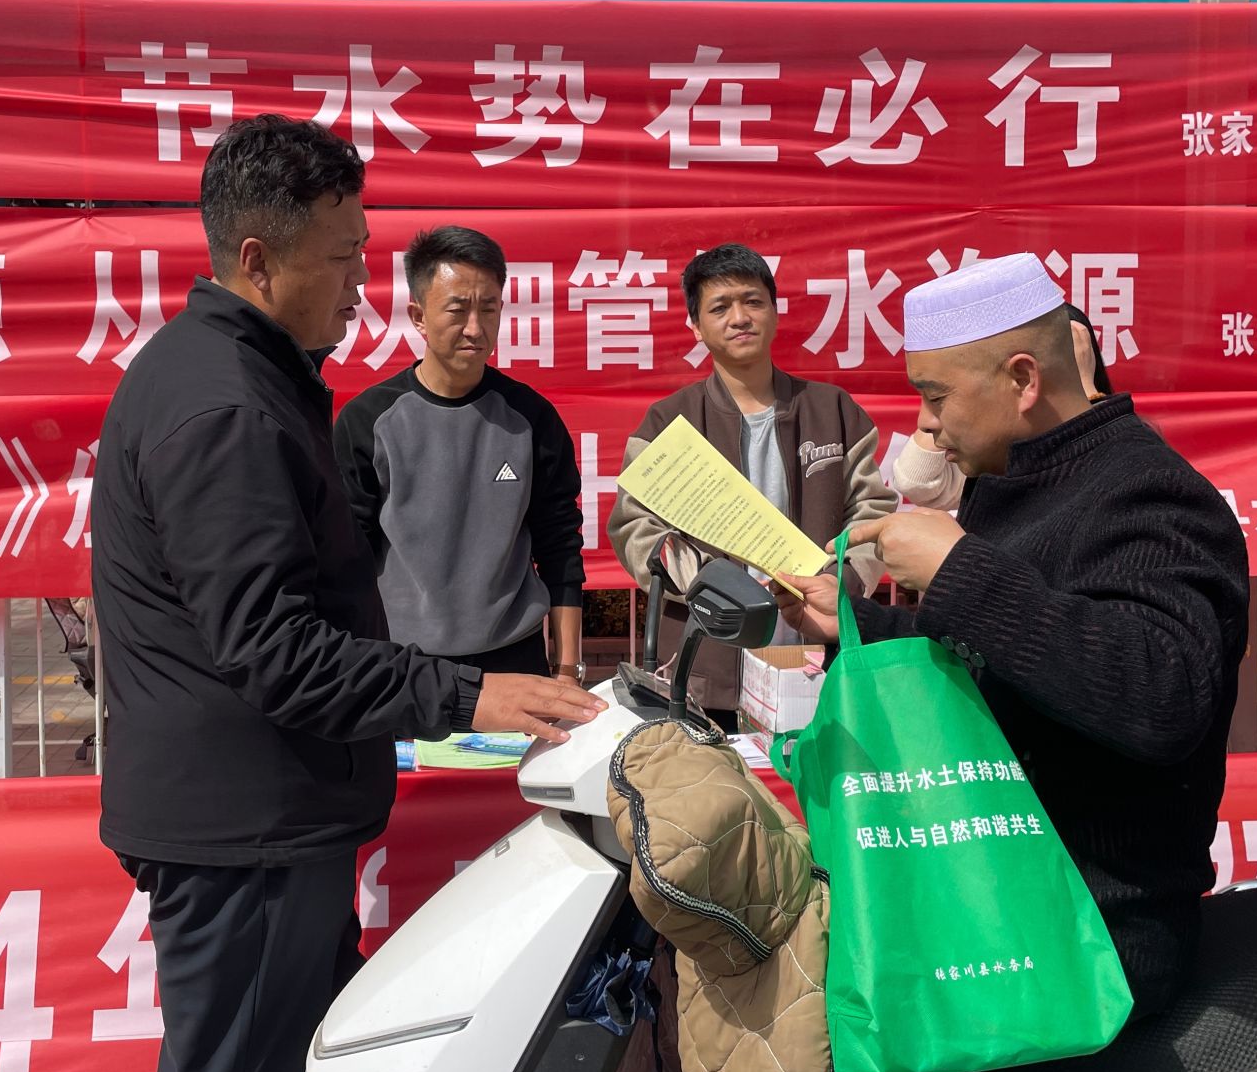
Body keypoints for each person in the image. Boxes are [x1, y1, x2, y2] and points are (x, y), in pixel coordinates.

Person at [90, 115, 603, 1072]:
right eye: (339, 259)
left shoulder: (240, 378)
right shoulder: (225, 407)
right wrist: (468, 695)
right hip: (246, 827)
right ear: (257, 259)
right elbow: (275, 649)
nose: (359, 289)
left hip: (264, 815)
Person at [776, 253, 1250, 1072]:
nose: (927, 426)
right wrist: (851, 625)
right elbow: (1003, 667)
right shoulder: (1013, 487)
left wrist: (958, 570)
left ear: (1023, 379)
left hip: (1088, 926)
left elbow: (1159, 694)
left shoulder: (1150, 499)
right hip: (988, 892)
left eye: (936, 397)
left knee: (820, 1054)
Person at [607, 242, 896, 730]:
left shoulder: (833, 410)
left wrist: (840, 582)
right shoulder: (667, 423)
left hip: (818, 659)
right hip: (706, 666)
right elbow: (635, 528)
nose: (739, 318)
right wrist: (710, 586)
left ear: (775, 311)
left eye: (753, 301)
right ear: (696, 326)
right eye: (720, 307)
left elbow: (872, 511)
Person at [335, 225, 586, 680]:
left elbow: (560, 546)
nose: (474, 328)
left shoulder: (531, 418)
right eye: (457, 310)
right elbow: (348, 559)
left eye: (488, 309)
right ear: (418, 316)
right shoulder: (369, 421)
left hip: (513, 660)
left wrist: (567, 668)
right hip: (403, 664)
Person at [892, 300, 1112, 510]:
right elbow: (916, 480)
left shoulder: (1120, 457)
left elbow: (1103, 476)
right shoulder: (991, 449)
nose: (924, 422)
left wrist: (1086, 391)